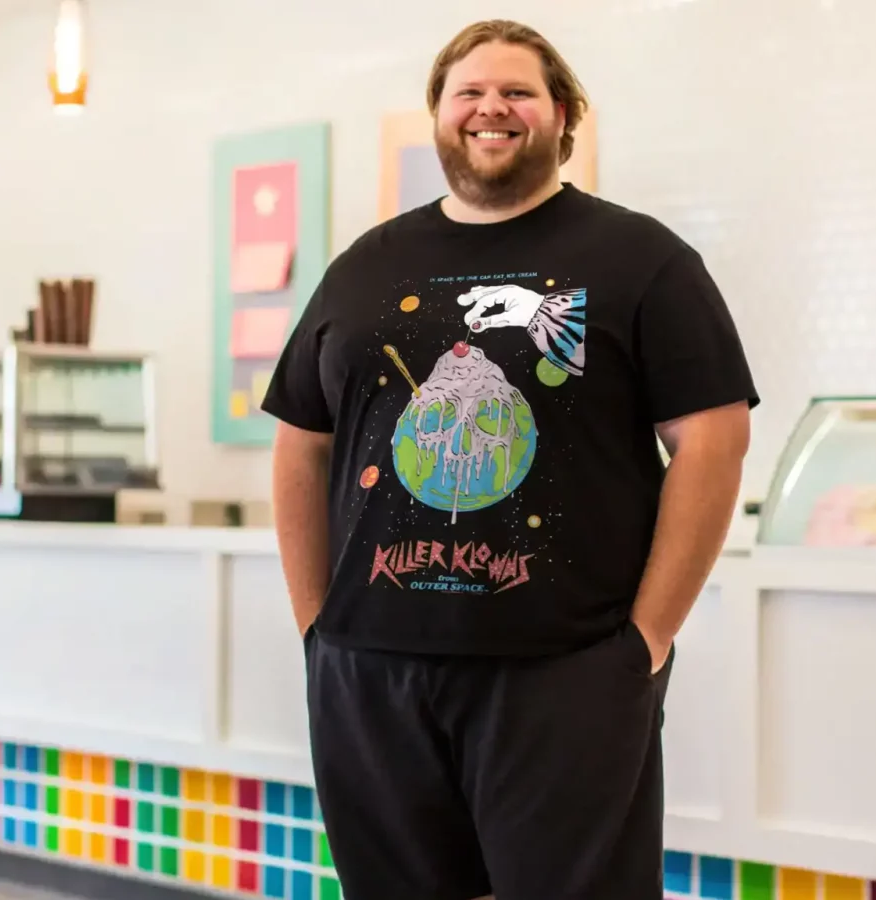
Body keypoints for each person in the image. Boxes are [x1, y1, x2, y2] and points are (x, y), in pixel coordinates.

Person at [259, 19, 757, 900]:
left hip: (565, 673)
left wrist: (645, 641)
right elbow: (301, 441)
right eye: (469, 93)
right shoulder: (363, 267)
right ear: (439, 118)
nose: (492, 108)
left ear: (563, 117)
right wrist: (316, 624)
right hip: (371, 673)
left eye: (518, 91)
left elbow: (713, 440)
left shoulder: (644, 261)